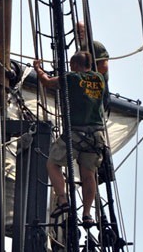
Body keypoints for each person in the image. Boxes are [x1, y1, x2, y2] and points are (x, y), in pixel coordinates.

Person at [33, 51, 106, 228]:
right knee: (88, 175)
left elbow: (47, 83)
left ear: (74, 64)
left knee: (52, 163)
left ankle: (63, 200)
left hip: (75, 133)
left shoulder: (72, 78)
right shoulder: (99, 79)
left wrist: (38, 69)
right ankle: (88, 214)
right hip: (96, 136)